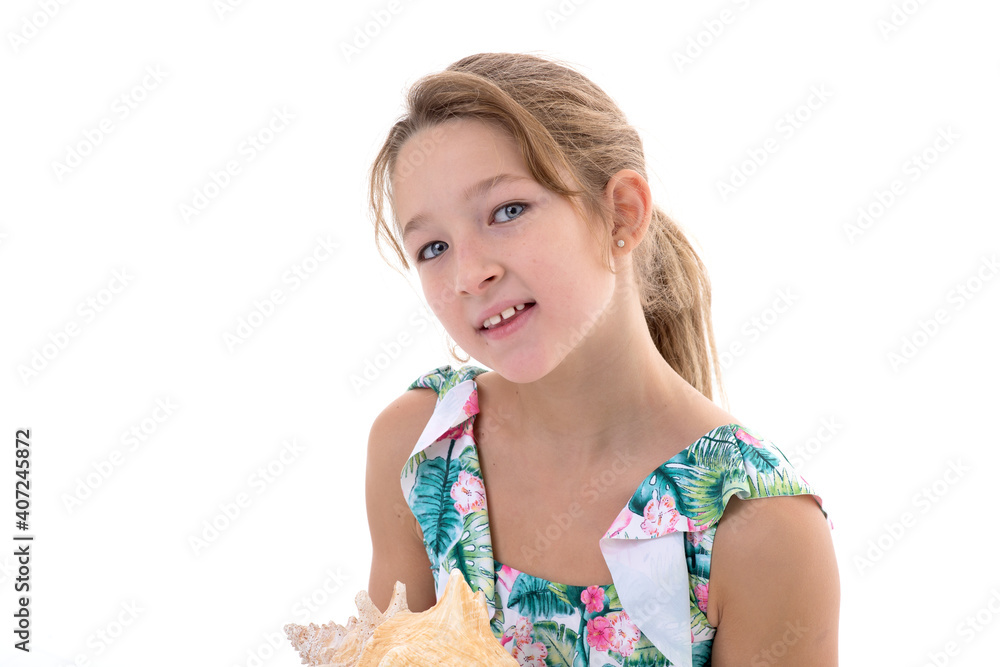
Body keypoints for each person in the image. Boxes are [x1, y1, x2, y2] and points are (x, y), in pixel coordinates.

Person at [364, 52, 839, 667]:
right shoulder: (422, 448)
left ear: (621, 213)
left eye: (507, 211)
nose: (469, 274)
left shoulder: (761, 527)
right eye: (433, 247)